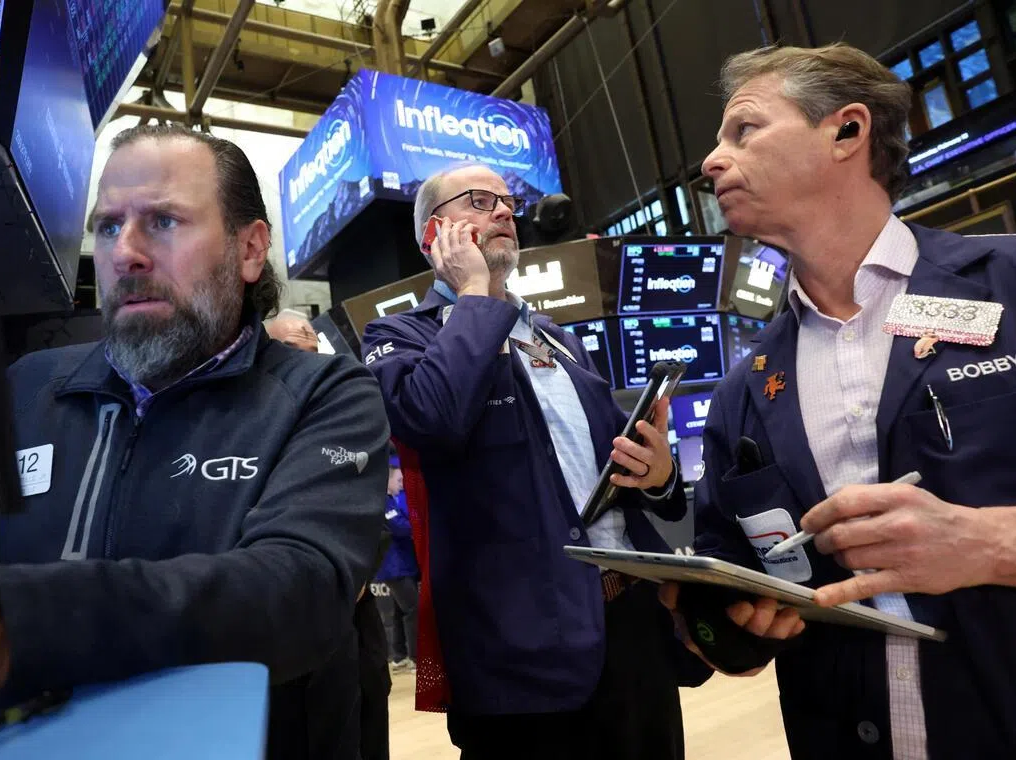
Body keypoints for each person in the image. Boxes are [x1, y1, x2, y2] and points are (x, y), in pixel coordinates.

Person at [0, 124, 390, 758]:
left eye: (165, 221)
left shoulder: (324, 392)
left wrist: (2, 623)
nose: (125, 253)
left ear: (251, 247)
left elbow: (299, 588)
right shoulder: (25, 388)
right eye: (108, 225)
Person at [660, 43, 1016, 759]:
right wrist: (724, 619)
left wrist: (994, 545)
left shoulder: (1010, 286)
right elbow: (731, 595)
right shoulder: (745, 388)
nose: (711, 160)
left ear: (847, 131)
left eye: (744, 130)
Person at [362, 162, 705, 760]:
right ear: (432, 236)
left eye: (507, 202)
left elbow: (612, 470)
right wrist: (472, 293)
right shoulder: (397, 336)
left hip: (628, 630)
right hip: (517, 652)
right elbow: (430, 420)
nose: (504, 212)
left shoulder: (555, 338)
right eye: (479, 201)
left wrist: (658, 476)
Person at [268, 305, 393, 760]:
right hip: (279, 645)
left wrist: (349, 572)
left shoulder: (352, 410)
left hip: (352, 634)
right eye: (286, 348)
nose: (302, 360)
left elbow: (374, 517)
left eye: (309, 347)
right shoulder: (252, 426)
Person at [374, 457, 419, 671]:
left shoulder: (392, 501)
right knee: (414, 609)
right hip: (394, 567)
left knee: (402, 610)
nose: (402, 483)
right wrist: (416, 527)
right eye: (399, 479)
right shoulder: (383, 503)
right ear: (388, 480)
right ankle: (416, 657)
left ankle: (400, 656)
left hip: (401, 565)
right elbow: (401, 529)